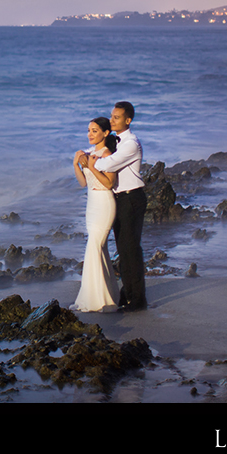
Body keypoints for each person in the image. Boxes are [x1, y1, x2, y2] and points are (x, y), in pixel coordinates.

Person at [86, 101, 148, 311]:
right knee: (123, 249)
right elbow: (99, 152)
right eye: (112, 117)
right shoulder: (115, 141)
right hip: (119, 200)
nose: (112, 120)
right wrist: (89, 157)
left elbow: (108, 164)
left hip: (132, 198)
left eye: (116, 118)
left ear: (128, 120)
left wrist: (92, 162)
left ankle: (138, 300)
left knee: (131, 250)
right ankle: (126, 293)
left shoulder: (131, 144)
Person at [70, 117, 121, 313]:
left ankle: (99, 300)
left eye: (95, 131)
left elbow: (109, 183)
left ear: (105, 133)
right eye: (89, 130)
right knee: (99, 249)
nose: (90, 134)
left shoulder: (107, 155)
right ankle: (105, 296)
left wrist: (91, 166)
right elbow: (84, 183)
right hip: (91, 203)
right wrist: (76, 164)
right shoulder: (89, 154)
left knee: (94, 247)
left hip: (104, 203)